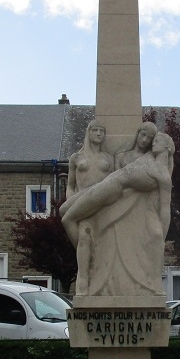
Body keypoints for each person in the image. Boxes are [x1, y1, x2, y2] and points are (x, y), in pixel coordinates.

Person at [62, 128, 175, 297]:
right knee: (65, 214)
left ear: (168, 147)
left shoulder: (162, 174)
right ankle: (88, 261)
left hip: (112, 190)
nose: (152, 143)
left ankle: (87, 269)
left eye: (156, 140)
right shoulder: (148, 160)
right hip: (110, 185)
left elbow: (165, 207)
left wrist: (161, 234)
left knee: (67, 217)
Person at [60, 120, 114, 292]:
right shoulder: (76, 158)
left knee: (81, 232)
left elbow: (113, 182)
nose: (99, 134)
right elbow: (70, 184)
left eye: (102, 131)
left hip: (100, 202)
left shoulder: (108, 158)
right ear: (89, 133)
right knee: (81, 235)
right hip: (81, 199)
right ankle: (84, 277)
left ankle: (85, 280)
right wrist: (71, 199)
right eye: (95, 130)